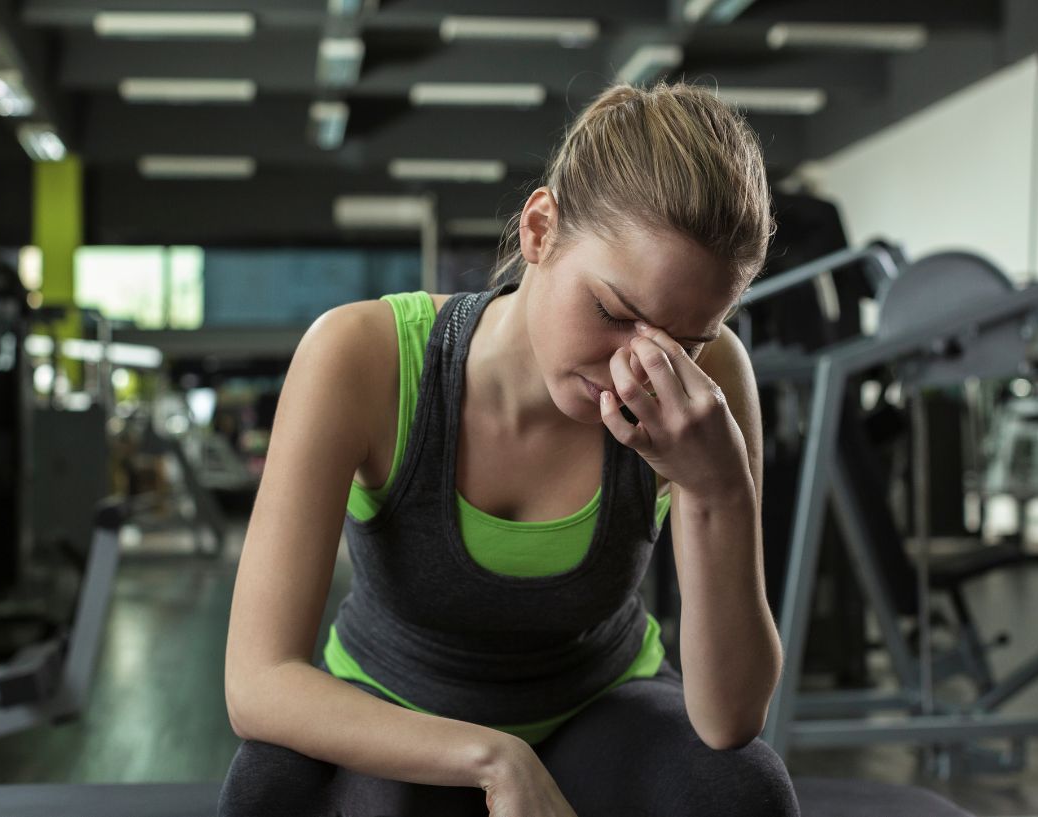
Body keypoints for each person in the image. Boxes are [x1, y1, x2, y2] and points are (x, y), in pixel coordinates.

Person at [219, 81, 798, 816]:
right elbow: (258, 679)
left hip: (599, 711)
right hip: (397, 708)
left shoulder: (706, 387)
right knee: (282, 788)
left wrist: (719, 490)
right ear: (539, 229)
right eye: (613, 312)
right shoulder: (359, 356)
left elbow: (729, 718)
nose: (637, 368)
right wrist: (493, 759)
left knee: (740, 789)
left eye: (683, 342)